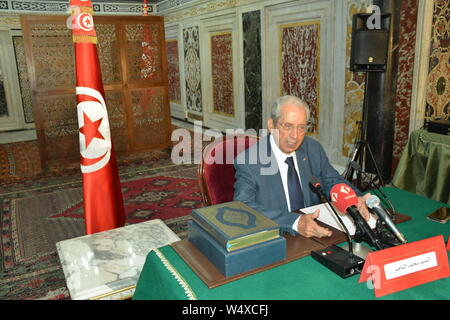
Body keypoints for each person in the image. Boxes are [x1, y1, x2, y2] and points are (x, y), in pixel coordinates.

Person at [233, 95, 371, 238]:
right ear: (271, 125)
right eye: (288, 126)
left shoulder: (313, 149)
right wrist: (295, 222)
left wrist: (355, 199)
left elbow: (332, 180)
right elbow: (243, 206)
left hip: (315, 233)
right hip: (275, 237)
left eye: (301, 128)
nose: (295, 136)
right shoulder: (249, 161)